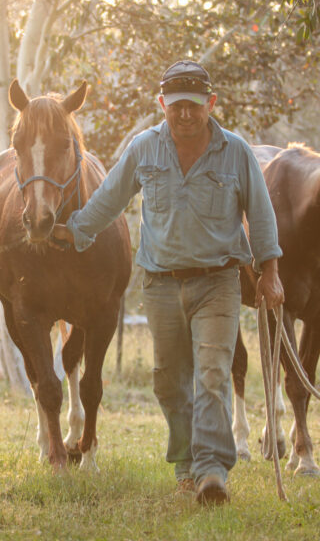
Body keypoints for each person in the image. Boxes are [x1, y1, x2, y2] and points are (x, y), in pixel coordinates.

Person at [52, 60, 284, 506]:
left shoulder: (235, 152)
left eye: (194, 105)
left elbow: (260, 213)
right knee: (169, 382)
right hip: (160, 284)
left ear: (211, 103)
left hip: (218, 282)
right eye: (176, 105)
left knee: (212, 374)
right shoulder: (144, 148)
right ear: (162, 104)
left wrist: (270, 271)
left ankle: (212, 470)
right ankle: (185, 465)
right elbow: (109, 199)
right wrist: (74, 231)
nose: (185, 114)